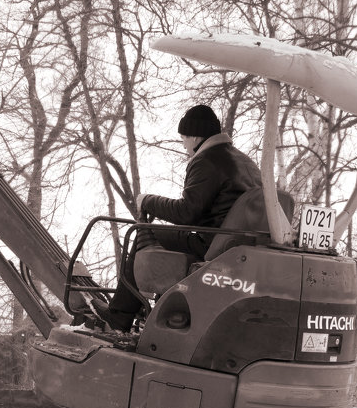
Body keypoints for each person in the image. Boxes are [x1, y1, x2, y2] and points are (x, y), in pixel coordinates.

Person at [96, 104, 261, 332]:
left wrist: (148, 201)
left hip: (213, 244)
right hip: (237, 244)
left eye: (183, 139)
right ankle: (158, 301)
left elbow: (186, 213)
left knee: (144, 230)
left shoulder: (207, 160)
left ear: (194, 137)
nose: (184, 146)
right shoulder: (245, 161)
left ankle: (120, 314)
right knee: (161, 234)